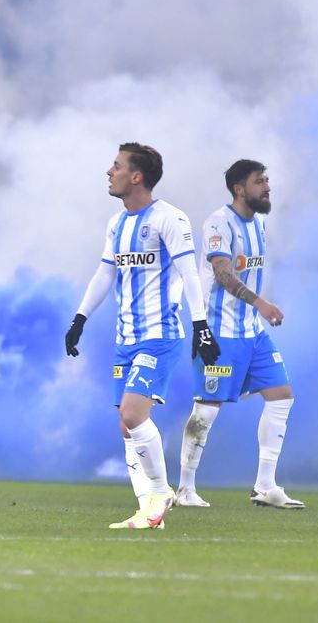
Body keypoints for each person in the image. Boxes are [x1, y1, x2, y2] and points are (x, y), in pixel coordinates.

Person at [64, 142, 220, 530]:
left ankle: (160, 492)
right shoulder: (116, 224)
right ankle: (148, 510)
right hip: (126, 339)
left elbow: (189, 273)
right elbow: (105, 273)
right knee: (126, 425)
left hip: (160, 335)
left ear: (136, 176)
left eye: (116, 166)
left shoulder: (170, 218)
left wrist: (201, 326)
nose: (108, 172)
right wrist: (80, 318)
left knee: (134, 415)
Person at [175, 160, 303, 509]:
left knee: (281, 395)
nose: (267, 187)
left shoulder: (259, 224)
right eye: (259, 181)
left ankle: (265, 485)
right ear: (239, 189)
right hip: (219, 332)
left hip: (252, 332)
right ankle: (185, 489)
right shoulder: (219, 222)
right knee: (207, 410)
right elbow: (222, 274)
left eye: (267, 180)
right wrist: (261, 302)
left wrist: (258, 310)